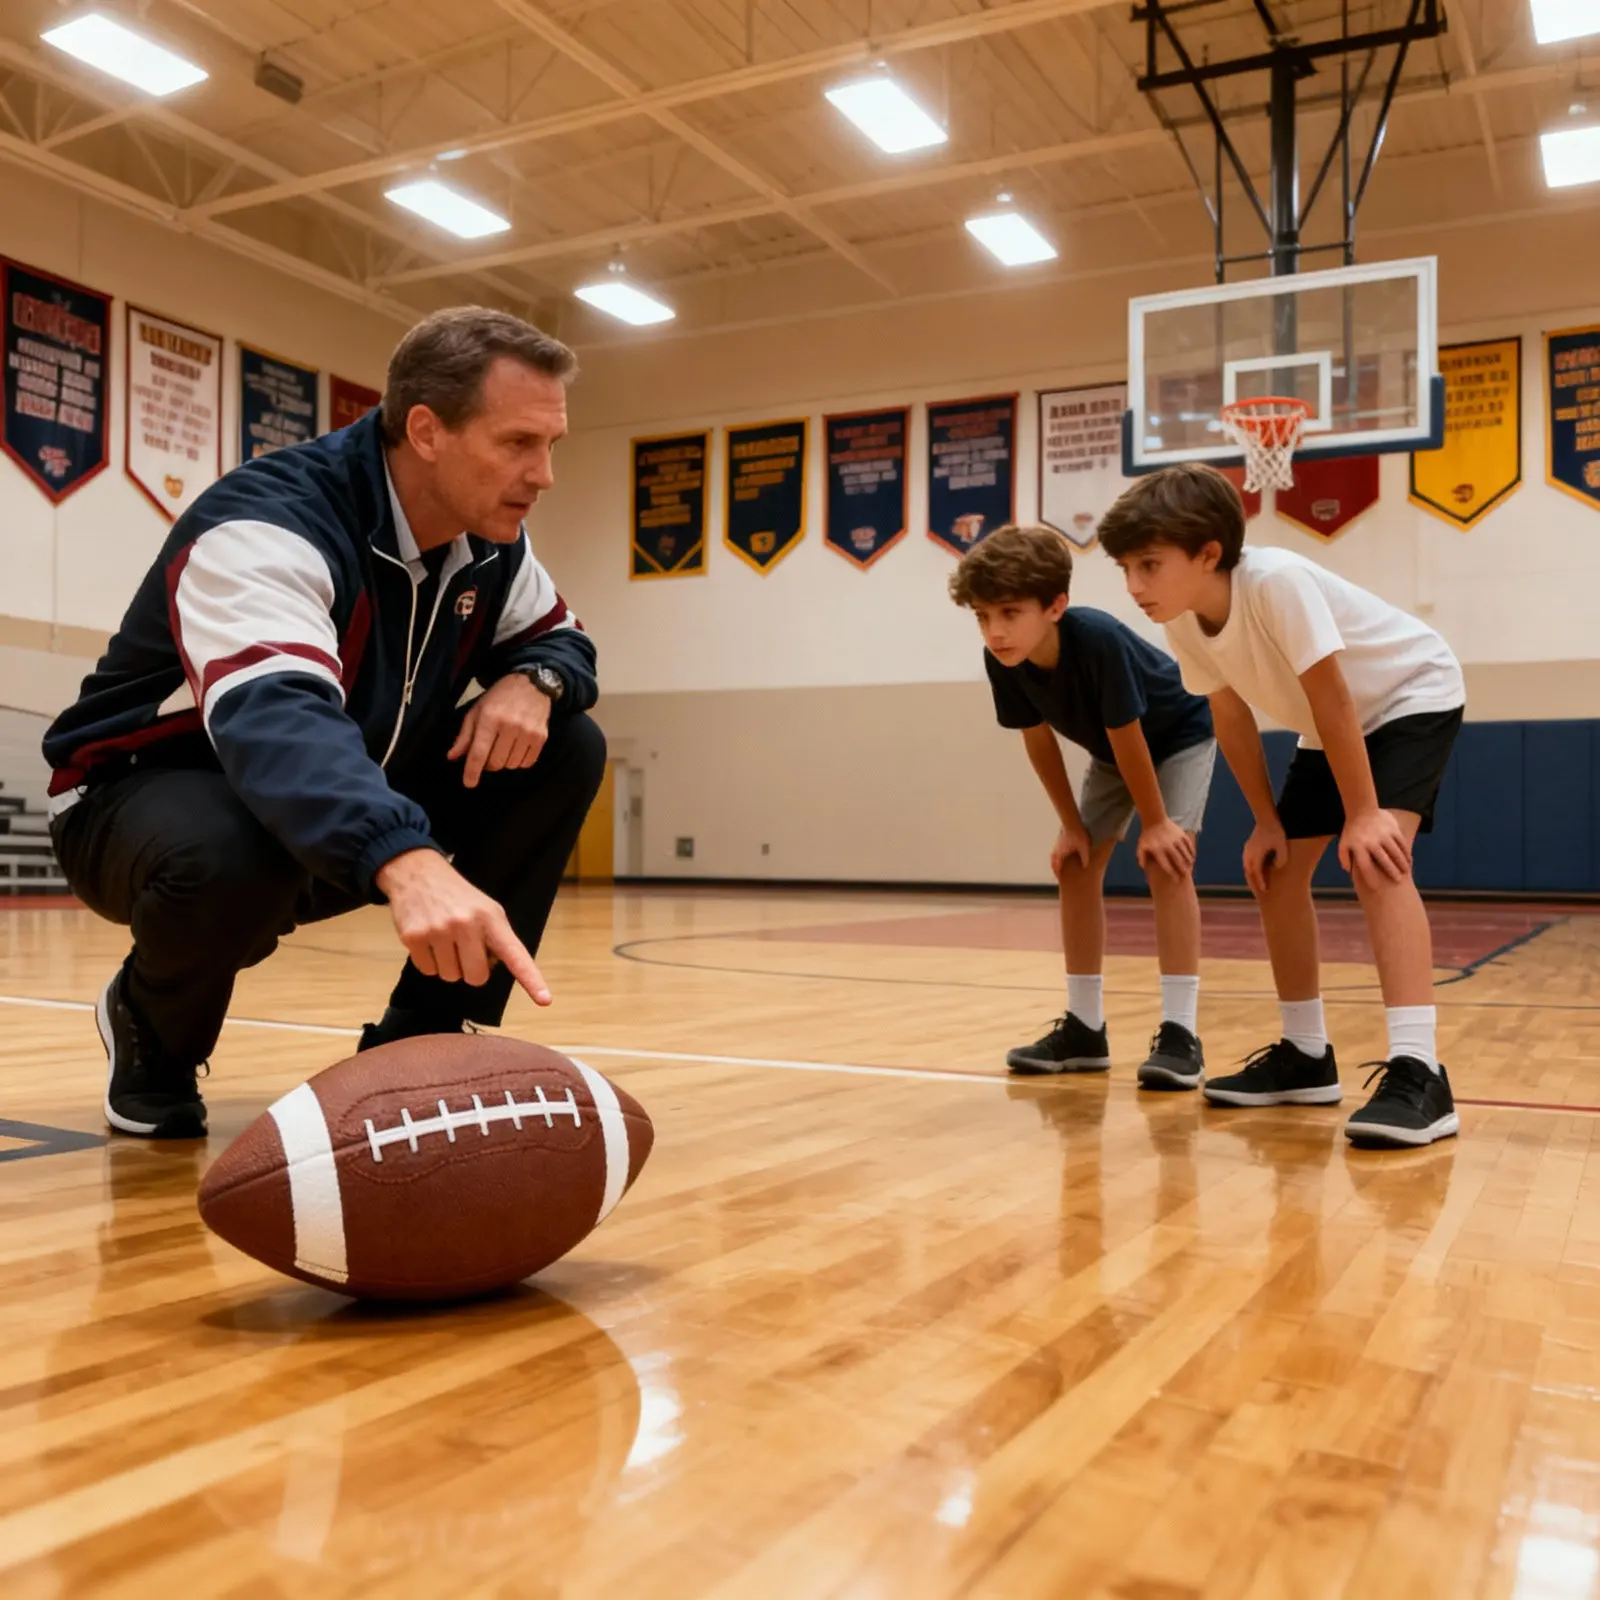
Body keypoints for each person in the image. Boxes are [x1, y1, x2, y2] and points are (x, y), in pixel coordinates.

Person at [43, 307, 605, 1140]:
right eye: (518, 442)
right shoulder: (270, 522)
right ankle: (151, 1029)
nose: (544, 473)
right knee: (229, 846)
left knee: (563, 744)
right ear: (426, 430)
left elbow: (562, 637)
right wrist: (407, 862)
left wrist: (539, 678)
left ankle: (419, 1048)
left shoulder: (492, 545)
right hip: (133, 802)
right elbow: (278, 720)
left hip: (328, 804)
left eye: (551, 444)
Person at [1098, 464, 1466, 1149]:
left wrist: (1363, 814)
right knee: (1277, 870)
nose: (1133, 587)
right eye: (1125, 568)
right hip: (1334, 725)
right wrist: (1268, 821)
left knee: (1377, 861)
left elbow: (1332, 694)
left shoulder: (1275, 581)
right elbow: (1230, 715)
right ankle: (1306, 1054)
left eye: (1148, 565)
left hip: (1409, 693)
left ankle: (1422, 1073)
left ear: (1209, 553)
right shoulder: (1182, 621)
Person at [949, 524, 1217, 1088]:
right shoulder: (1004, 658)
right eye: (982, 617)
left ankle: (1179, 1032)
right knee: (1075, 864)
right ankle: (1084, 1028)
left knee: (1166, 863)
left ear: (1056, 605)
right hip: (1116, 749)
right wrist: (1071, 827)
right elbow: (1037, 737)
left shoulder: (1096, 638)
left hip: (1177, 734)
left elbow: (1129, 731)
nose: (995, 631)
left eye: (1008, 613)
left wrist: (1158, 823)